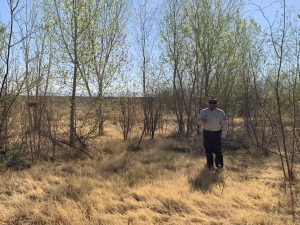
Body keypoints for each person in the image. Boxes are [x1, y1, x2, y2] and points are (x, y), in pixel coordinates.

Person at [197, 97, 228, 170]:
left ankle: (219, 166)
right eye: (211, 102)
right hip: (207, 134)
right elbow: (198, 122)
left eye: (214, 102)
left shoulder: (221, 112)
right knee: (208, 151)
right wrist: (202, 121)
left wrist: (223, 136)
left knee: (218, 151)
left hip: (217, 134)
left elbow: (225, 125)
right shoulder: (203, 112)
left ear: (217, 104)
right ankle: (210, 167)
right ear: (208, 103)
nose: (213, 104)